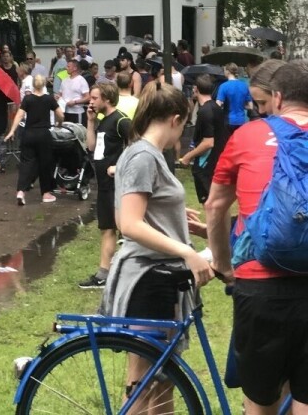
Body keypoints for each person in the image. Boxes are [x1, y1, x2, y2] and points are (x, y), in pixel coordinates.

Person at [101, 81, 213, 412]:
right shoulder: (143, 156)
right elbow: (129, 223)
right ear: (177, 119)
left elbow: (138, 210)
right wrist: (186, 251)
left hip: (160, 277)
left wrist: (174, 214)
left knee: (164, 379)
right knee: (143, 379)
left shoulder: (147, 155)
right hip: (148, 278)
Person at [206, 61, 308, 415]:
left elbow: (215, 206)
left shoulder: (247, 135)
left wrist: (222, 263)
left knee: (261, 404)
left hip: (260, 286)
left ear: (278, 98)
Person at [78, 82, 131, 289]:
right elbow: (92, 147)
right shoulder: (102, 121)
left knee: (124, 232)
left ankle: (126, 274)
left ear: (107, 99)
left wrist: (118, 167)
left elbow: (138, 147)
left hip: (117, 186)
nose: (90, 102)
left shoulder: (121, 121)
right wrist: (90, 123)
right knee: (106, 229)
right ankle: (103, 274)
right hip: (104, 185)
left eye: (94, 98)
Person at [6, 75, 64, 206]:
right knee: (45, 164)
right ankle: (46, 193)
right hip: (44, 134)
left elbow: (20, 115)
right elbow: (61, 114)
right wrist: (59, 124)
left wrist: (11, 131)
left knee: (26, 163)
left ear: (33, 85)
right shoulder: (49, 98)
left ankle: (21, 191)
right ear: (44, 84)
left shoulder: (28, 98)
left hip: (28, 134)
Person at [178, 74, 227, 204]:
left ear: (196, 89)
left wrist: (188, 156)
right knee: (217, 203)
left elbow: (208, 143)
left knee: (210, 203)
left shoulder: (206, 112)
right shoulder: (216, 108)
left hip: (206, 164)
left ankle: (212, 225)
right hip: (215, 161)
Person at [216, 63, 253, 135]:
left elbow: (218, 105)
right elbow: (250, 106)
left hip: (228, 120)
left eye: (224, 70)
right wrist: (241, 105)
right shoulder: (244, 85)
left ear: (227, 71)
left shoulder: (223, 86)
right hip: (241, 120)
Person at [57, 60, 90, 125]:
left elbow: (87, 97)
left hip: (77, 113)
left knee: (78, 132)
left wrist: (75, 102)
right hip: (65, 112)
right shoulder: (64, 80)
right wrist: (57, 97)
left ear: (75, 68)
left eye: (68, 66)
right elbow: (60, 94)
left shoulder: (81, 80)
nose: (66, 68)